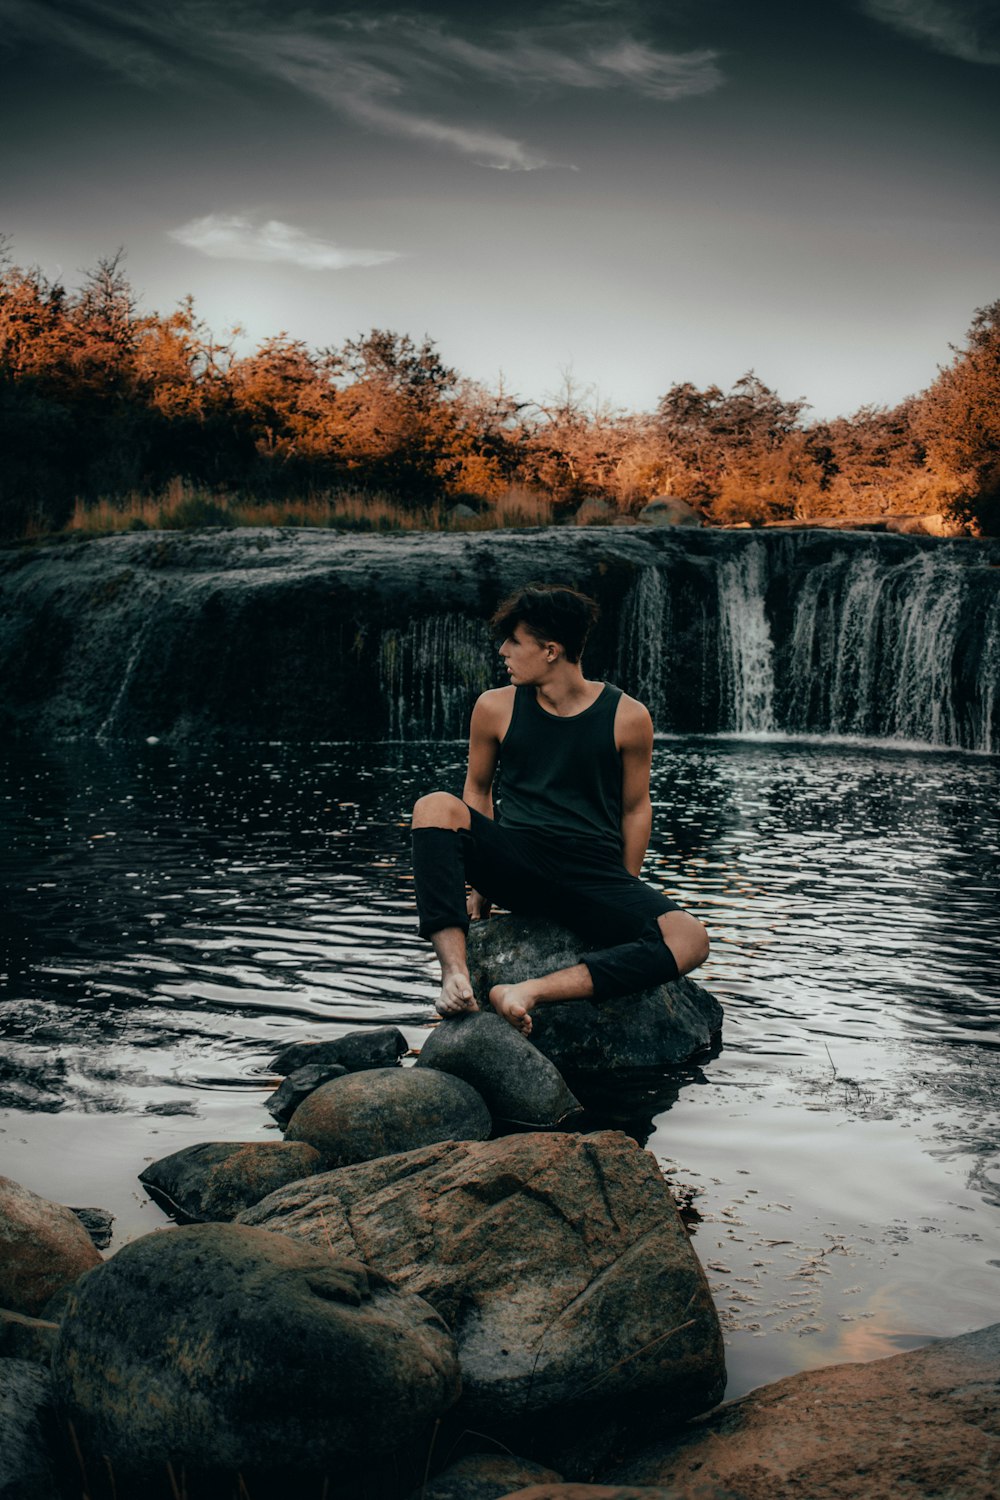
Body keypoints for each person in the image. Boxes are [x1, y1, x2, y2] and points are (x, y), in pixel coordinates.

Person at [410, 583, 709, 1036]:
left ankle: (527, 992)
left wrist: (622, 888)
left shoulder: (629, 716)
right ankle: (455, 975)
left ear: (551, 650)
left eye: (514, 641)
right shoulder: (494, 707)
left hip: (593, 871)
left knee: (691, 939)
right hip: (520, 859)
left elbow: (635, 808)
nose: (503, 650)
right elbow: (476, 791)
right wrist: (480, 881)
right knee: (433, 806)